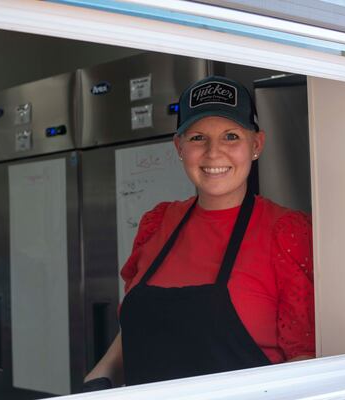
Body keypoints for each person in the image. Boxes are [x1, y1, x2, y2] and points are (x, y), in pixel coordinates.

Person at [82, 75, 314, 391]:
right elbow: (137, 332)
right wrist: (98, 381)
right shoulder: (157, 222)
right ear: (179, 147)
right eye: (197, 138)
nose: (213, 153)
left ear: (256, 145)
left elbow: (307, 359)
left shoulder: (286, 232)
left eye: (231, 136)